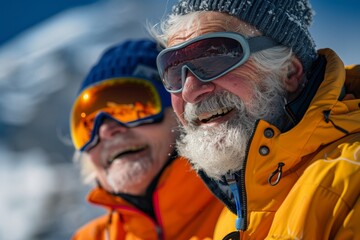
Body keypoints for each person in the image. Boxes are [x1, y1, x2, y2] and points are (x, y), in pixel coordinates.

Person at [150, 0, 360, 239]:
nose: (189, 91)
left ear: (289, 72)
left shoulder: (350, 187)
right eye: (174, 71)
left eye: (215, 57)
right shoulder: (236, 212)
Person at [69, 39, 223, 240]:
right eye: (88, 124)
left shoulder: (246, 211)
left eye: (132, 107)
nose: (106, 130)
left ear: (183, 112)